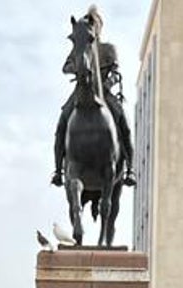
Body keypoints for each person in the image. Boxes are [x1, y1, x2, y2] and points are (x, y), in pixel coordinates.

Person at [52, 5, 135, 188]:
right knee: (62, 121)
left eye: (96, 24)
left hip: (104, 93)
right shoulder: (80, 49)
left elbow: (115, 72)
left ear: (99, 28)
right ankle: (58, 170)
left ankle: (130, 169)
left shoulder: (108, 49)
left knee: (123, 121)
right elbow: (65, 67)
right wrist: (77, 67)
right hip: (81, 90)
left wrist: (107, 84)